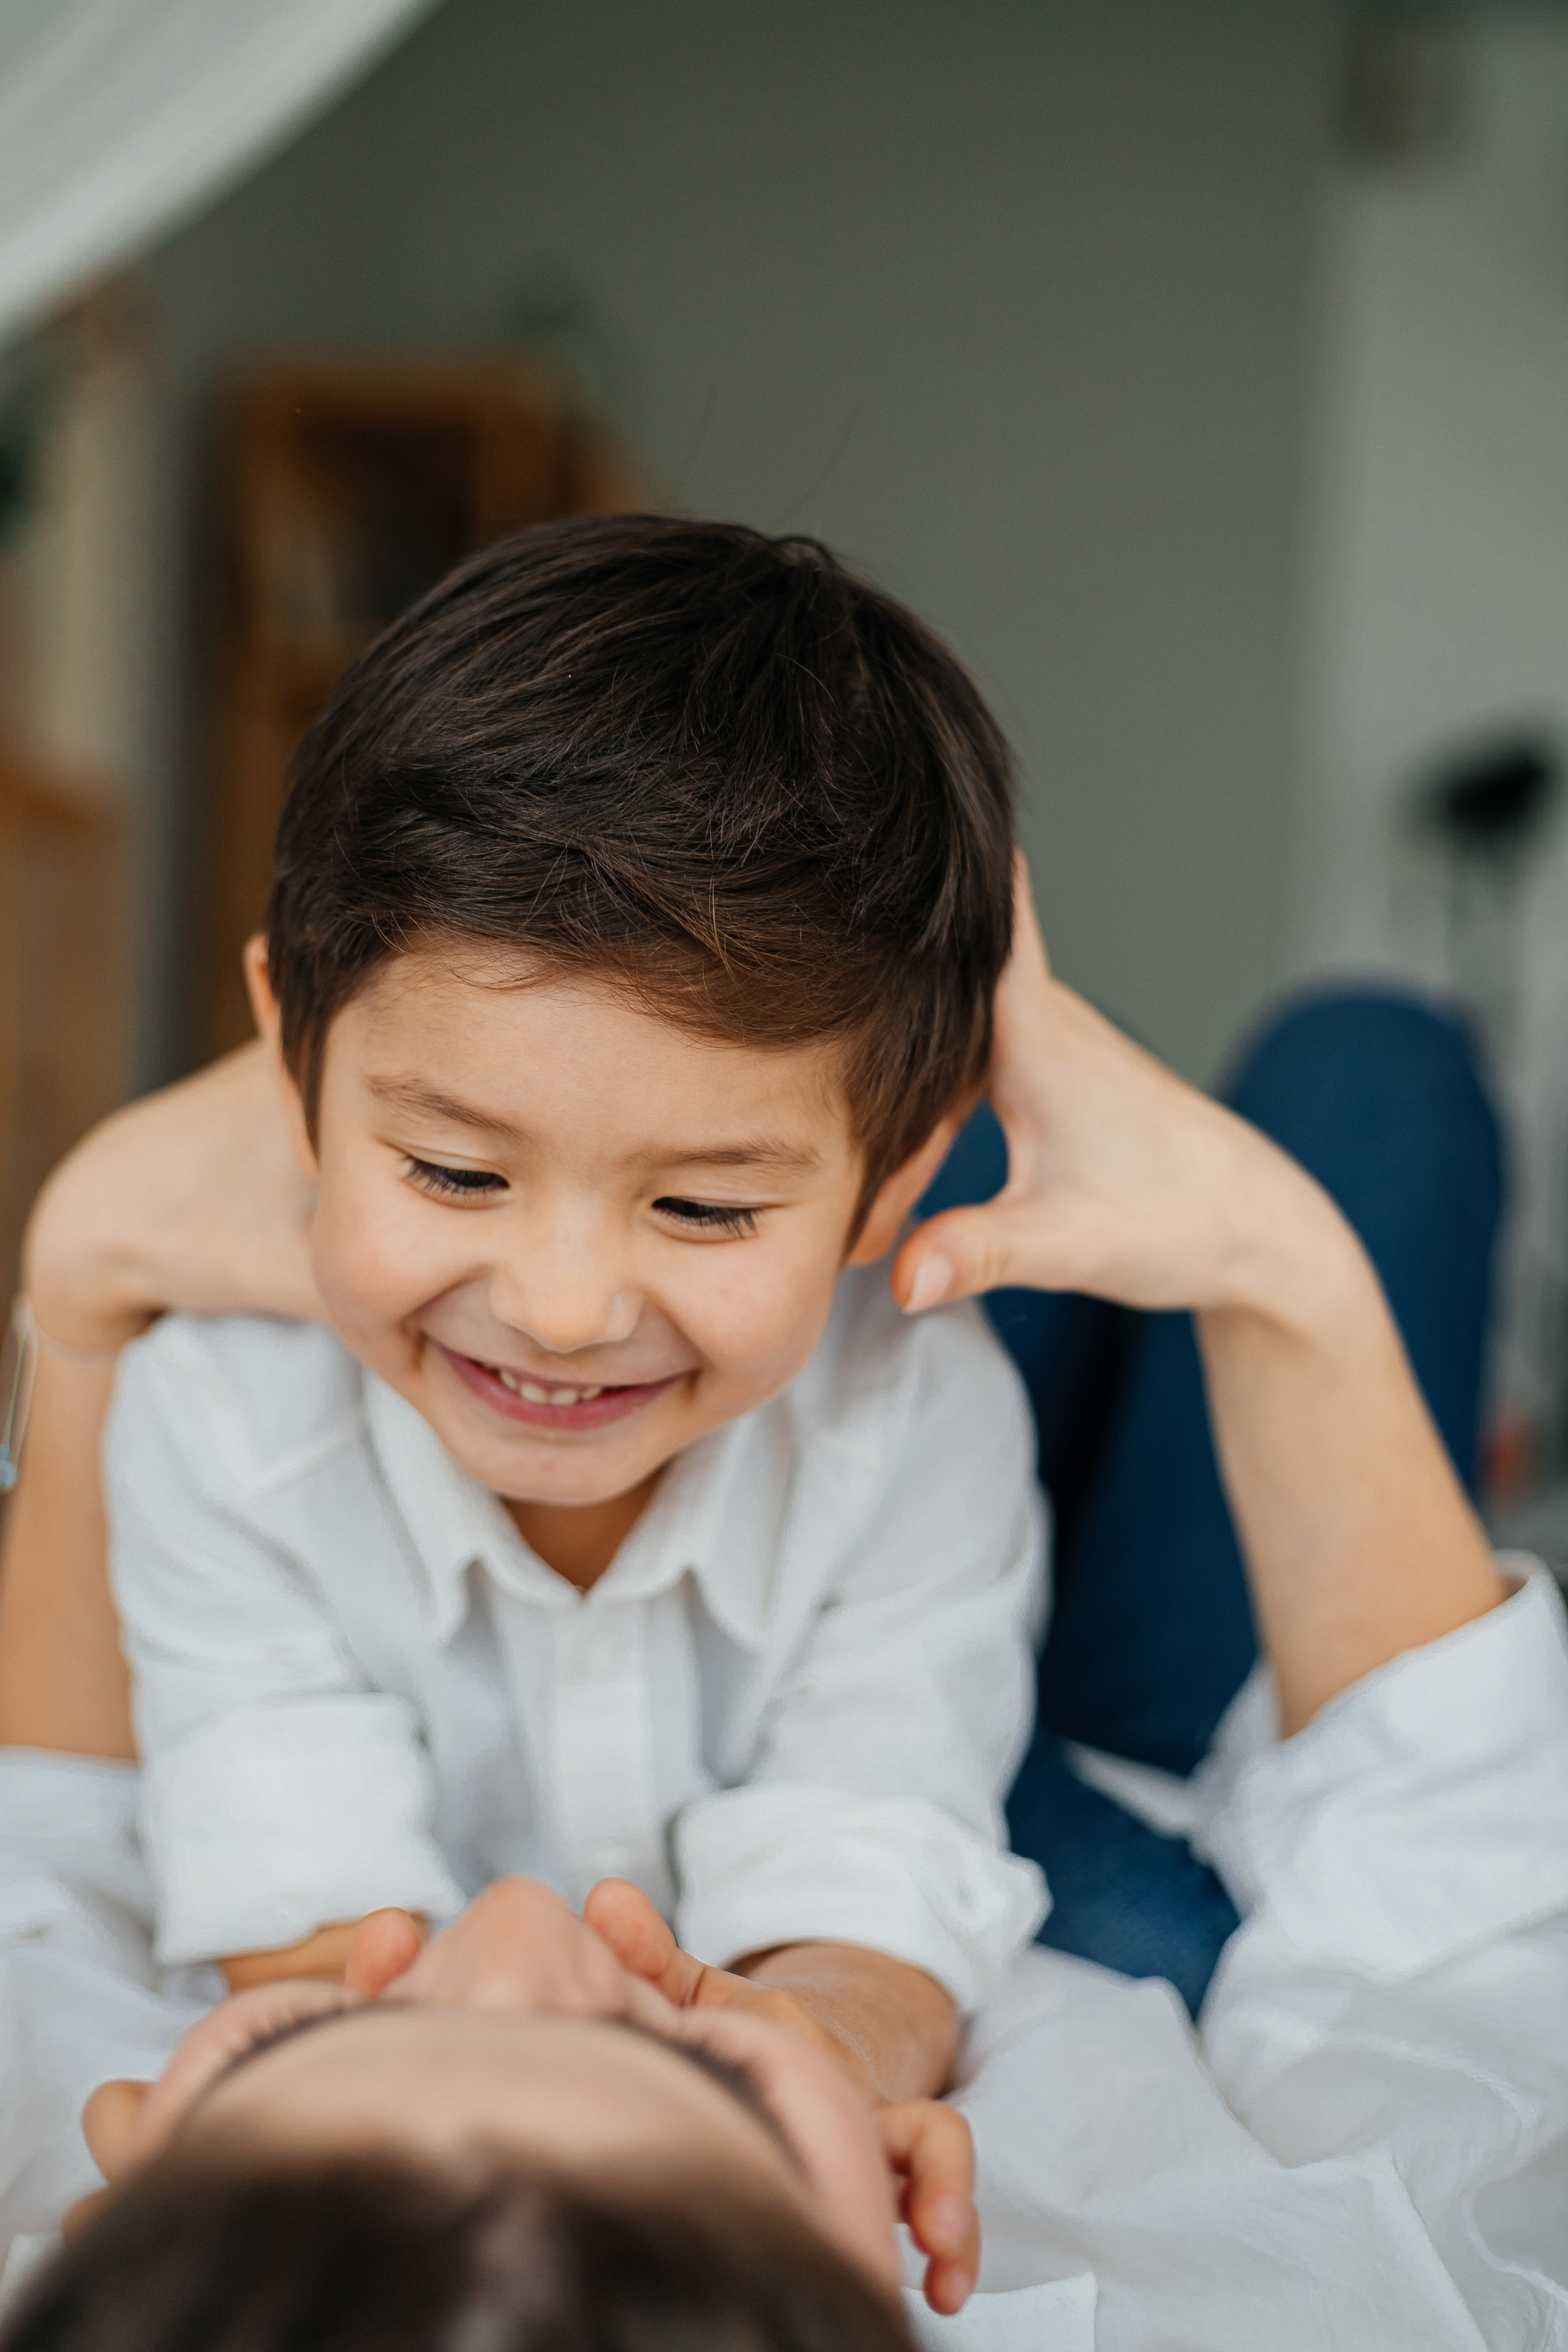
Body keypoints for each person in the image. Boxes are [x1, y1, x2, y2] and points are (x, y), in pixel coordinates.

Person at [3, 870, 1566, 2349]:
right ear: (882, 2257)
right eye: (688, 2077)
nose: (526, 1921)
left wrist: (79, 1286)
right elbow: (1457, 1943)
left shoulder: (87, 2196)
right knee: (1370, 1075)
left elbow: (47, 1847)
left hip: (821, 1568)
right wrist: (1263, 1258)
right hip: (1106, 1784)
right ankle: (942, 1142)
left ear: (124, 2175)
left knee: (804, 1128)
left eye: (331, 2037)